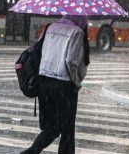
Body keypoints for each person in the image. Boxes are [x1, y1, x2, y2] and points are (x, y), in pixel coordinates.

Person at [22, 15, 89, 154]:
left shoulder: (50, 27)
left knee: (51, 128)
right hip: (64, 86)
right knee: (67, 131)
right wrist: (77, 82)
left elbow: (39, 52)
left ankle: (31, 152)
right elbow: (71, 61)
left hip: (44, 84)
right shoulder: (76, 32)